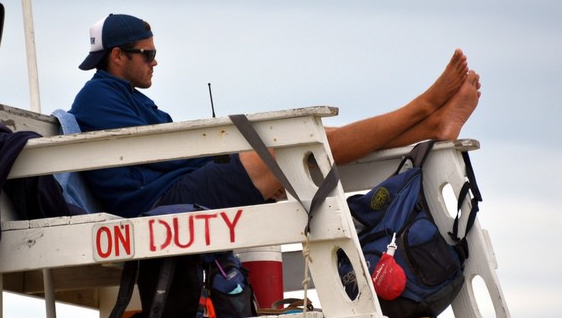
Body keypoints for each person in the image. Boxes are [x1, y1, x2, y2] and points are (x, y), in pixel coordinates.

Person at [69, 13, 481, 219]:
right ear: (118, 56)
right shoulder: (97, 98)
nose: (156, 62)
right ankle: (424, 108)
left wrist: (224, 150)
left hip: (177, 186)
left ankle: (429, 127)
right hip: (160, 202)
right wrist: (223, 150)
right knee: (300, 147)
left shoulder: (121, 94)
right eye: (149, 54)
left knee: (312, 139)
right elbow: (162, 155)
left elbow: (166, 149)